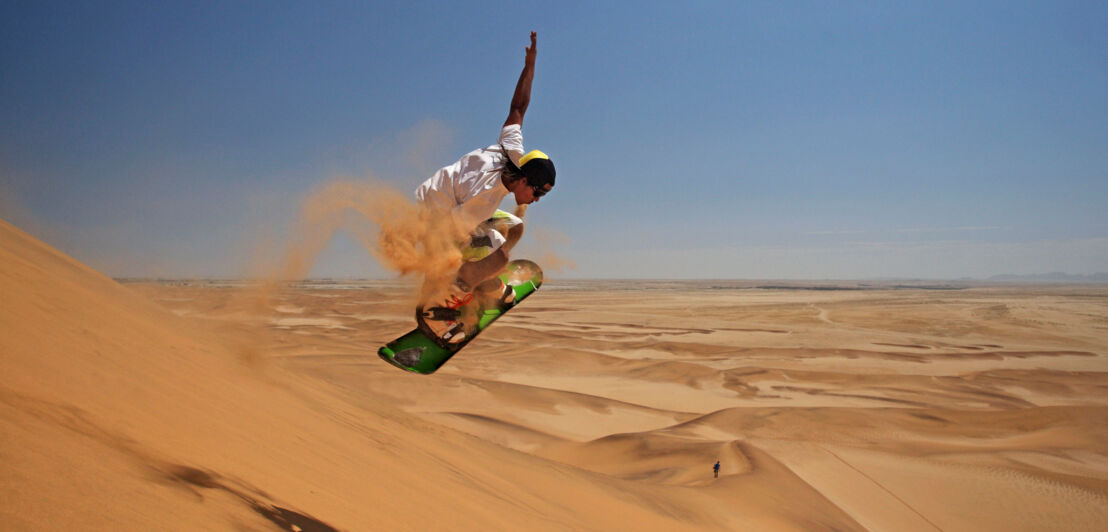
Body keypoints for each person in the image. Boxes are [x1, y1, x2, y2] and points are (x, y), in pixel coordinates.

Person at [414, 32, 556, 343]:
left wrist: (529, 66)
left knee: (514, 229)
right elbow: (447, 237)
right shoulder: (484, 199)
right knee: (497, 258)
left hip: (445, 197)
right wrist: (460, 274)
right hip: (438, 216)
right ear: (524, 181)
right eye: (537, 193)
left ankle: (483, 283)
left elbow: (518, 106)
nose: (536, 200)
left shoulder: (512, 152)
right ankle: (447, 304)